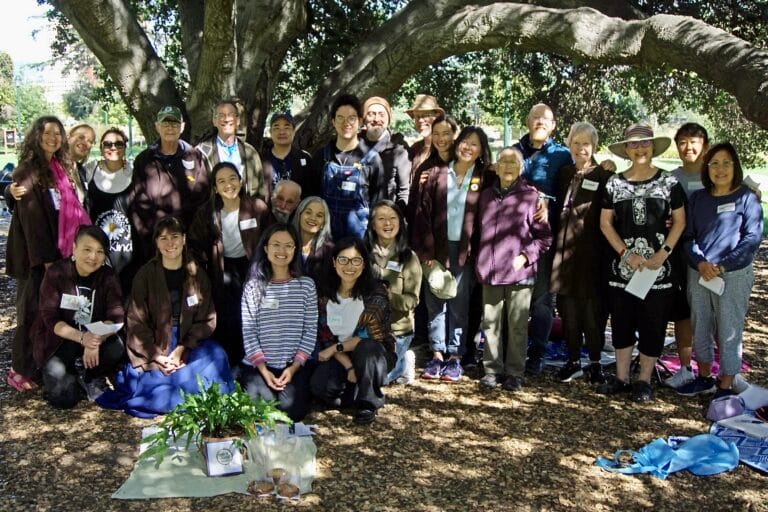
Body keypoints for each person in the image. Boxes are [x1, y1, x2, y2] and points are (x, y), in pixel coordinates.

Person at [97, 216, 234, 418]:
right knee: (157, 390)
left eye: (175, 237)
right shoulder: (145, 275)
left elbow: (206, 318)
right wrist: (157, 356)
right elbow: (136, 322)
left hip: (189, 342)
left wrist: (183, 349)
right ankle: (177, 391)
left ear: (184, 239)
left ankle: (182, 388)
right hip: (156, 341)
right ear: (156, 243)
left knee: (217, 356)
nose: (170, 243)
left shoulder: (197, 274)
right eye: (163, 238)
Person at [599, 124, 686, 403]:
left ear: (653, 147)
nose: (640, 149)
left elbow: (680, 221)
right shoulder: (614, 183)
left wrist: (663, 253)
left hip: (657, 270)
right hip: (623, 269)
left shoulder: (669, 182)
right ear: (626, 149)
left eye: (645, 143)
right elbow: (605, 223)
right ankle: (621, 377)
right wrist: (626, 254)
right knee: (622, 321)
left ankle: (644, 380)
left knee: (653, 323)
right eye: (633, 144)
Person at [6, 116, 91, 392]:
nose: (53, 138)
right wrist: (46, 262)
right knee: (30, 311)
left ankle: (39, 364)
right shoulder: (27, 171)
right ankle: (19, 369)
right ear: (36, 136)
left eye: (58, 133)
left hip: (58, 251)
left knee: (50, 312)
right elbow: (33, 223)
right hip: (36, 258)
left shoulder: (58, 168)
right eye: (48, 133)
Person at [677, 143, 763, 399]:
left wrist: (724, 265)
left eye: (726, 163)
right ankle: (704, 377)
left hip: (732, 274)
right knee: (700, 323)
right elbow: (688, 236)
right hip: (700, 272)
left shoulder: (747, 198)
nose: (720, 169)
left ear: (735, 167)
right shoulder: (698, 199)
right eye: (714, 163)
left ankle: (725, 384)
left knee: (729, 327)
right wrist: (700, 263)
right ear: (707, 168)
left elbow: (752, 238)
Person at [412, 126, 492, 382]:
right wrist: (426, 252)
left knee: (459, 304)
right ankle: (437, 354)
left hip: (466, 251)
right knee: (435, 301)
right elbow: (422, 214)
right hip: (437, 248)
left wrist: (539, 198)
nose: (468, 147)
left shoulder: (485, 176)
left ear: (481, 150)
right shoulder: (437, 173)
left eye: (475, 144)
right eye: (465, 142)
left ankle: (455, 356)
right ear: (458, 144)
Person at [474, 147, 552, 391]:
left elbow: (544, 238)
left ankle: (515, 372)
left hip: (519, 273)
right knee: (491, 324)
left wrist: (526, 256)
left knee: (517, 326)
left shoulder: (531, 197)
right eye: (503, 162)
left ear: (521, 168)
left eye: (513, 162)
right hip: (490, 270)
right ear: (496, 167)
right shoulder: (486, 195)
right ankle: (492, 370)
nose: (508, 166)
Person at [32, 226, 125, 408]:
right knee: (63, 400)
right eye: (87, 249)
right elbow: (50, 318)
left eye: (100, 251)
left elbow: (116, 314)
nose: (93, 257)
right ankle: (73, 376)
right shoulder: (57, 273)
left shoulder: (108, 276)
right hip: (61, 341)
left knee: (117, 347)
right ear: (74, 248)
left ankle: (91, 375)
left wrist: (94, 339)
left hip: (95, 338)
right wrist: (82, 338)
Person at [549, 122, 613, 384]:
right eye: (576, 143)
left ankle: (595, 363)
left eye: (585, 143)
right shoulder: (564, 173)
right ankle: (573, 360)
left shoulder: (604, 175)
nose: (580, 148)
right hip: (564, 256)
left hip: (592, 255)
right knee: (568, 310)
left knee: (592, 311)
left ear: (594, 146)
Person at [514, 103, 574, 374]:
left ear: (553, 126)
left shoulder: (562, 156)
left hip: (545, 238)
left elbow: (575, 188)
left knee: (542, 299)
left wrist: (547, 200)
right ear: (527, 122)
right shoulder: (514, 152)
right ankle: (512, 352)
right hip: (514, 238)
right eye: (535, 117)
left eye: (545, 119)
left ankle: (537, 353)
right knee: (515, 297)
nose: (539, 122)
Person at [189, 161, 268, 364]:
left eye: (233, 178)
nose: (228, 184)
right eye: (221, 181)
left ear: (241, 182)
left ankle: (255, 360)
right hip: (222, 270)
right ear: (215, 188)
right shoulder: (207, 213)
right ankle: (231, 363)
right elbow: (195, 246)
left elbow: (272, 238)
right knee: (230, 316)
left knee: (253, 314)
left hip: (252, 268)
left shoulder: (257, 208)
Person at [310, 238, 396, 425]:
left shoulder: (376, 292)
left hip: (373, 352)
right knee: (319, 387)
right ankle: (359, 390)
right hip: (341, 355)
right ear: (334, 262)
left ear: (364, 264)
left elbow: (368, 335)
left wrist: (334, 349)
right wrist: (348, 366)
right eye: (343, 260)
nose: (349, 266)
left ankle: (368, 403)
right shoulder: (324, 295)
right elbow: (326, 337)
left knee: (368, 350)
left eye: (356, 260)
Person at [239, 223, 318, 421]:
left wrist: (294, 368)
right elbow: (249, 331)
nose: (282, 251)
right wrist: (264, 370)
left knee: (292, 411)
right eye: (276, 245)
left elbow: (310, 329)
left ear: (295, 250)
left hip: (293, 365)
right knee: (259, 410)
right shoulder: (253, 287)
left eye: (288, 245)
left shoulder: (306, 286)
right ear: (266, 248)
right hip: (259, 366)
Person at [129, 105, 209, 266]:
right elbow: (138, 203)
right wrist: (160, 235)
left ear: (182, 127)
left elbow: (203, 198)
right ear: (157, 127)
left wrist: (185, 234)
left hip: (189, 241)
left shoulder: (195, 157)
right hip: (155, 241)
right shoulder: (144, 160)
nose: (170, 128)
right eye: (165, 123)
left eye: (174, 123)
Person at [311, 94, 386, 239]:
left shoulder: (372, 160)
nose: (346, 123)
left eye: (352, 118)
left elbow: (379, 204)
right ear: (333, 121)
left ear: (360, 121)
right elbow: (310, 198)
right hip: (324, 238)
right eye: (340, 118)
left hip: (359, 241)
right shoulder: (321, 157)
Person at [365, 200, 422, 385]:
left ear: (400, 223)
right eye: (381, 218)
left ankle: (404, 362)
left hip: (397, 330)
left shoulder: (409, 257)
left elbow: (413, 300)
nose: (387, 223)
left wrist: (391, 297)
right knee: (362, 373)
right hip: (366, 329)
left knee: (379, 379)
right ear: (373, 225)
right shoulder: (362, 253)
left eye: (392, 218)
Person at [84, 127, 135, 292]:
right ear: (100, 148)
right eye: (108, 144)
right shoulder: (89, 171)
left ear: (125, 147)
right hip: (96, 256)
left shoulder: (134, 172)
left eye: (119, 144)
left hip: (128, 257)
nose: (113, 148)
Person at [197, 99, 266, 200]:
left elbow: (260, 189)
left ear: (238, 121)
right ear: (214, 121)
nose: (226, 119)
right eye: (221, 115)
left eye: (230, 115)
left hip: (245, 207)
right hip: (215, 208)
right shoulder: (202, 152)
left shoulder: (250, 152)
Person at [406, 113, 459, 225]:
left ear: (454, 134)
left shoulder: (463, 164)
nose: (440, 139)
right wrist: (421, 188)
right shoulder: (425, 167)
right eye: (436, 134)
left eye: (445, 134)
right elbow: (414, 203)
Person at [362, 96, 410, 210]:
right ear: (363, 118)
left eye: (381, 114)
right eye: (371, 114)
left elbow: (404, 192)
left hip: (385, 216)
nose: (376, 119)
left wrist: (396, 216)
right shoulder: (354, 144)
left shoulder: (399, 149)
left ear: (388, 119)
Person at [261, 112, 313, 199]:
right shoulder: (261, 160)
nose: (282, 132)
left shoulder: (305, 159)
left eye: (286, 127)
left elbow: (311, 194)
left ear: (294, 131)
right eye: (276, 128)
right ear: (270, 132)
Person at [292, 196, 334, 283]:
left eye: (319, 215)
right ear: (299, 215)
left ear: (324, 223)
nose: (313, 218)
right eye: (308, 212)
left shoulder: (329, 250)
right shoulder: (286, 241)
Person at [406, 94, 445, 176]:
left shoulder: (445, 147)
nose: (420, 120)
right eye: (417, 116)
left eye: (425, 115)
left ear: (437, 118)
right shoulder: (415, 149)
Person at [68, 124, 96, 203]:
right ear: (68, 138)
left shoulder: (81, 171)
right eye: (81, 137)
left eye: (90, 141)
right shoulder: (53, 166)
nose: (85, 143)